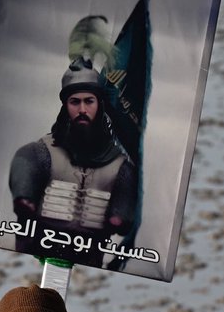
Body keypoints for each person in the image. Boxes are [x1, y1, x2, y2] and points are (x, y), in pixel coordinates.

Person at [7, 56, 140, 269]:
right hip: (41, 243)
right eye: (75, 102)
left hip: (89, 252)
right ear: (66, 105)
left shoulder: (119, 164)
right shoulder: (43, 150)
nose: (82, 111)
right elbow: (27, 161)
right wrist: (25, 196)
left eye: (89, 101)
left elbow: (126, 202)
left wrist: (121, 214)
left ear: (99, 104)